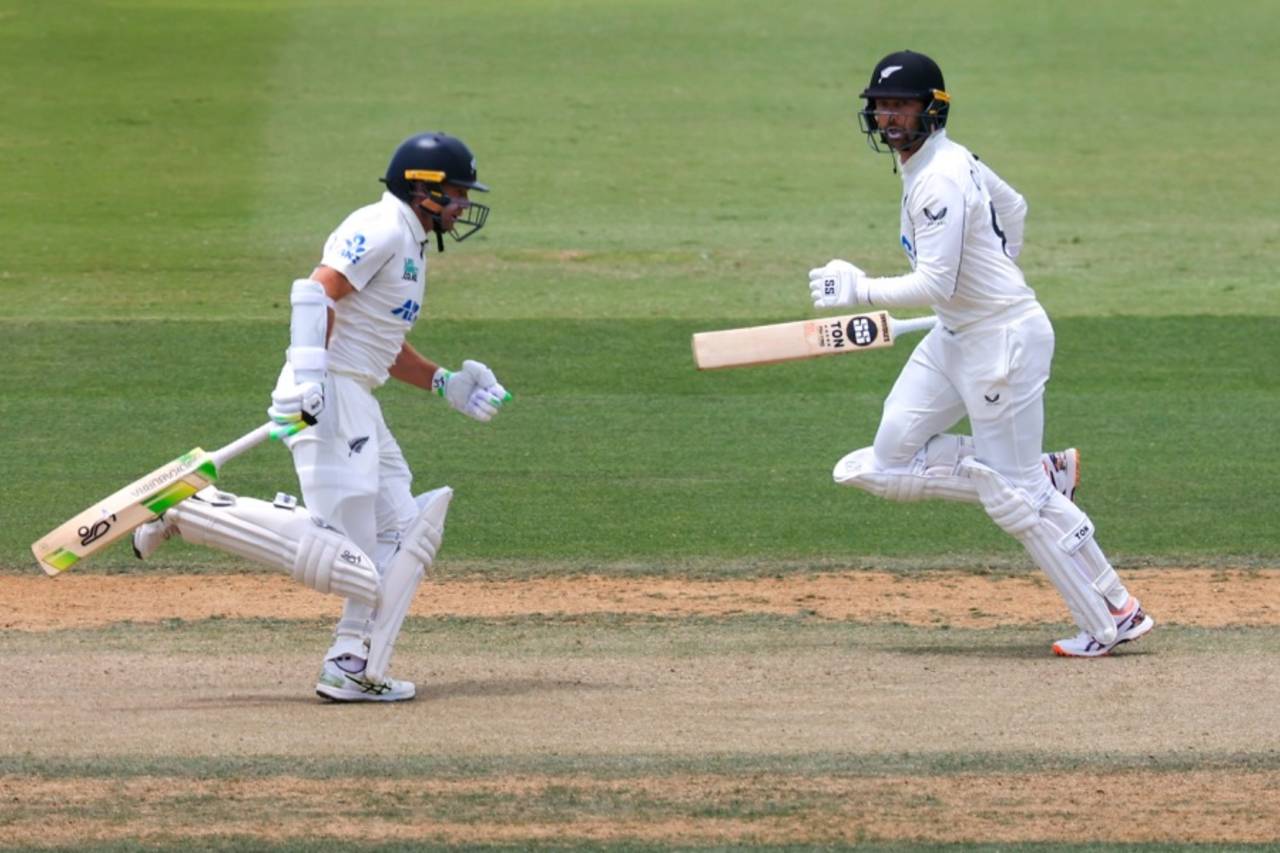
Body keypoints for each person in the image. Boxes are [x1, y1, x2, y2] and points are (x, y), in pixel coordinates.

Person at [132, 132, 511, 699]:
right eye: (455, 194)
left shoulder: (410, 244)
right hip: (327, 393)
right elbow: (315, 294)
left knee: (400, 531)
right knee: (347, 553)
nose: (462, 206)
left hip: (355, 395)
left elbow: (378, 344)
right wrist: (309, 380)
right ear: (422, 190)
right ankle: (196, 510)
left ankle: (350, 661)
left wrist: (443, 383)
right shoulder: (381, 226)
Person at [807, 51, 1153, 657]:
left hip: (1003, 345)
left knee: (1014, 502)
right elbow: (1013, 208)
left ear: (931, 110)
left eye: (901, 106)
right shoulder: (942, 161)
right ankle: (1039, 475)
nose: (889, 117)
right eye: (881, 106)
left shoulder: (940, 176)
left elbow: (936, 284)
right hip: (956, 336)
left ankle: (1112, 615)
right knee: (884, 461)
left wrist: (858, 288)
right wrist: (992, 278)